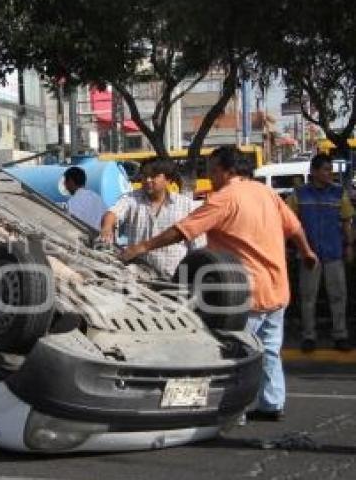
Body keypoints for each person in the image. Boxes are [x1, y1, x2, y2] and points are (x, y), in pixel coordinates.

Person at [120, 146, 318, 422]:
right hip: (277, 287)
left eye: (212, 170)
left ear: (227, 171)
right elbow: (295, 228)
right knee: (269, 350)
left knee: (235, 354)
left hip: (242, 293)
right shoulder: (266, 193)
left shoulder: (225, 198)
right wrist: (307, 253)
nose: (209, 176)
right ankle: (272, 403)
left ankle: (233, 409)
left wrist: (143, 246)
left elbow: (183, 230)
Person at [286, 154, 353, 352]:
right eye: (325, 170)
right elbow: (288, 222)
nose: (329, 173)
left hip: (334, 253)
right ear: (314, 172)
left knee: (338, 296)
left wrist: (349, 245)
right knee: (308, 297)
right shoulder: (298, 195)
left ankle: (340, 336)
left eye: (330, 169)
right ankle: (309, 337)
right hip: (309, 255)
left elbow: (347, 221)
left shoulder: (339, 193)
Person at [99, 160, 203, 278]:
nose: (148, 180)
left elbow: (197, 245)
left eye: (153, 176)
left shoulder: (186, 205)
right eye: (144, 176)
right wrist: (107, 227)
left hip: (174, 277)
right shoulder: (132, 198)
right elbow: (112, 213)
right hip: (139, 277)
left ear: (168, 180)